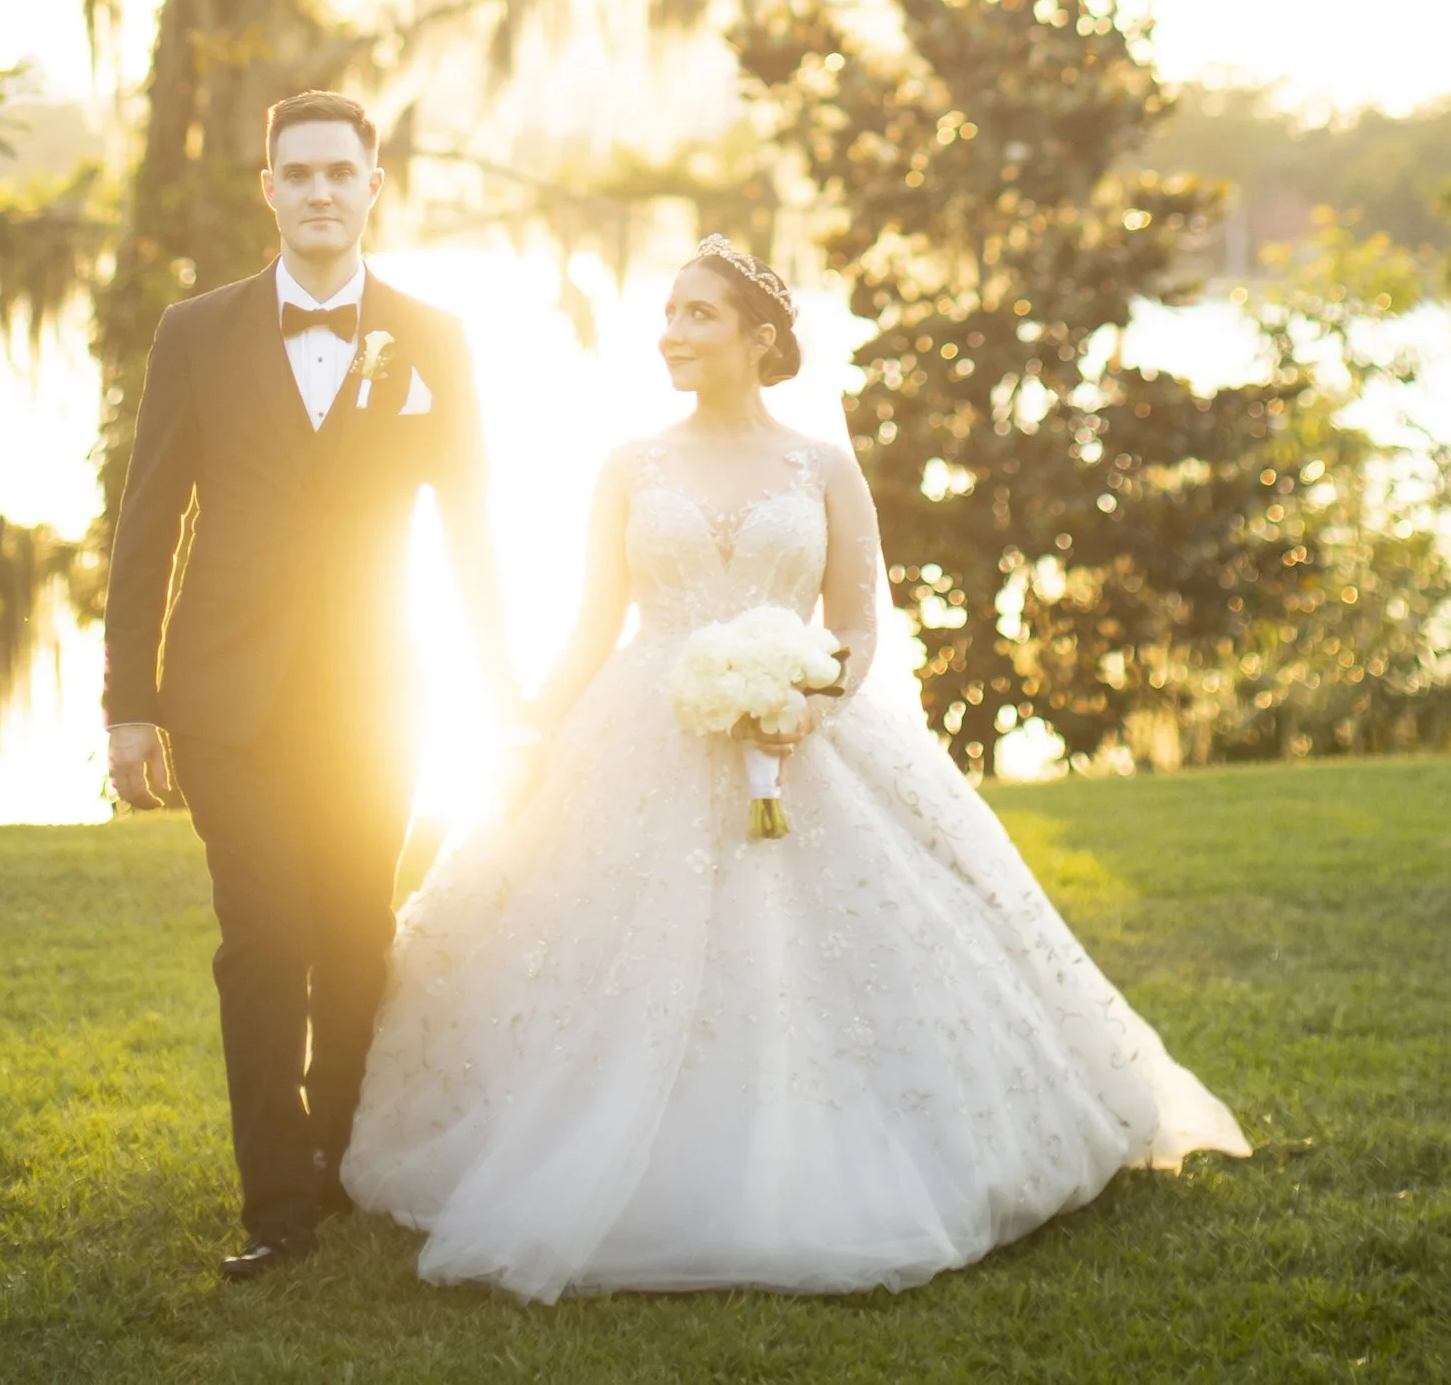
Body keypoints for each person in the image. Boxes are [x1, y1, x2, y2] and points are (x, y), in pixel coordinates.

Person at [343, 236, 1248, 1299]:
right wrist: (533, 728)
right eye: (669, 313)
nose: (671, 333)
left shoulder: (819, 465)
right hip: (641, 728)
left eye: (697, 316)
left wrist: (810, 698)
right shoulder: (629, 463)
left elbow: (860, 626)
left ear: (758, 340)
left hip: (804, 738)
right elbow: (594, 619)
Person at [100, 89, 519, 1282]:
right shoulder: (197, 332)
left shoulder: (434, 336)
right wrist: (131, 706)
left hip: (379, 692)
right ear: (269, 189)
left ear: (374, 185)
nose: (323, 190)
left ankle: (337, 1150)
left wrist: (505, 690)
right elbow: (148, 525)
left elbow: (474, 522)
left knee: (356, 935)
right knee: (263, 936)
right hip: (225, 697)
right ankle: (276, 1201)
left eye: (344, 170)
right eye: (300, 172)